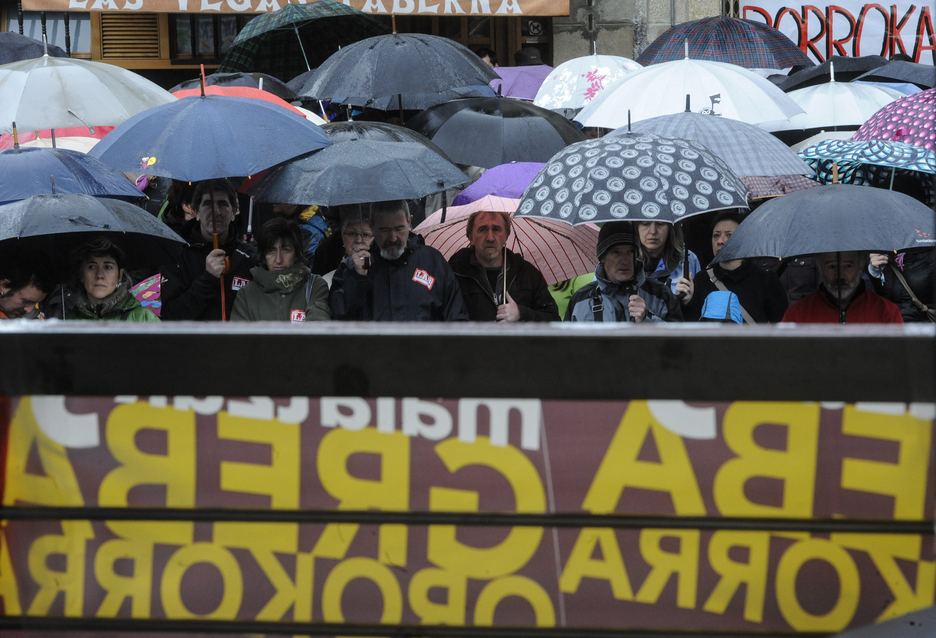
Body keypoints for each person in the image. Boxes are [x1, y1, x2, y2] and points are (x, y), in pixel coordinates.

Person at [330, 200, 468, 321]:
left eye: (399, 229)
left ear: (409, 222)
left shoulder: (432, 261)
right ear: (371, 226)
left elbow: (456, 318)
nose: (392, 238)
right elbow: (340, 319)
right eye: (384, 230)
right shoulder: (352, 268)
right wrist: (358, 278)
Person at [160, 179, 257, 321]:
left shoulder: (250, 257)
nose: (215, 212)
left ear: (234, 212)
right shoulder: (175, 254)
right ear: (196, 212)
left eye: (222, 204)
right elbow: (171, 317)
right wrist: (208, 278)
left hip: (238, 343)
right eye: (207, 204)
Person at [448, 210, 559, 322]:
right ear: (470, 237)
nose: (490, 238)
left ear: (506, 236)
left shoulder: (528, 274)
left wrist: (521, 313)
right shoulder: (453, 274)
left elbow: (553, 321)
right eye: (483, 230)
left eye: (496, 229)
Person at [566, 221, 681, 322]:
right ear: (602, 257)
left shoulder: (661, 294)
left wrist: (647, 319)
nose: (625, 260)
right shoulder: (581, 299)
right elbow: (567, 345)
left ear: (637, 255)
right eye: (616, 252)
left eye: (630, 251)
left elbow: (678, 342)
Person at [686, 212, 788, 323]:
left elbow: (782, 328)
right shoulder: (702, 279)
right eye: (716, 235)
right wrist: (686, 302)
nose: (720, 241)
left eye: (729, 235)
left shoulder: (766, 280)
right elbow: (691, 328)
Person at [231, 218, 330, 322]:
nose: (278, 259)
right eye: (271, 251)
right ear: (264, 255)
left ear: (297, 254)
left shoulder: (315, 286)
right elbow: (241, 337)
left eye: (286, 250)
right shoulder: (247, 294)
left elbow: (317, 332)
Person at [783, 251, 903, 324]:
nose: (840, 275)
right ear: (820, 269)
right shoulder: (797, 315)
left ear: (861, 267)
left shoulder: (886, 312)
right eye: (831, 267)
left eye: (847, 266)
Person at [65, 237, 159, 322]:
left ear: (120, 276)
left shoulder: (144, 320)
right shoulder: (66, 324)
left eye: (108, 267)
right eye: (92, 267)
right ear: (81, 275)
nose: (99, 275)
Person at [868, 248, 934, 322]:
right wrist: (872, 270)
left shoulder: (930, 255)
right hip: (889, 324)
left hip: (922, 326)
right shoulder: (878, 255)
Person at [636, 221, 700, 298]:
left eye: (660, 224)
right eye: (645, 224)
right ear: (636, 228)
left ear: (671, 227)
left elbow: (700, 303)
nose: (653, 231)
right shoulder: (625, 261)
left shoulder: (689, 259)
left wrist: (688, 302)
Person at [323, 212, 374, 288]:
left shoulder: (383, 276)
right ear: (343, 238)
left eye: (365, 235)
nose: (359, 240)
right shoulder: (326, 282)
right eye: (352, 234)